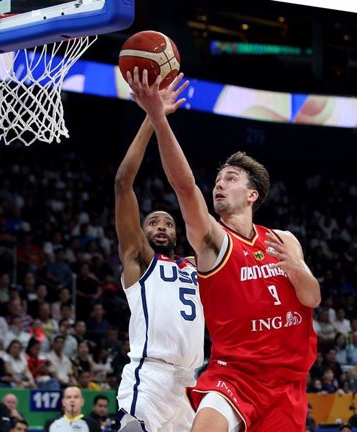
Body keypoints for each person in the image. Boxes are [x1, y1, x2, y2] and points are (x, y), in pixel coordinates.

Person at [128, 69, 320, 432]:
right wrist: (157, 117)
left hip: (287, 384)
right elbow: (184, 187)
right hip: (234, 377)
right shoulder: (213, 241)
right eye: (217, 180)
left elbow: (311, 298)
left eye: (230, 179)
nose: (219, 184)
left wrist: (297, 269)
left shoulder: (283, 240)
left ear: (253, 195)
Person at [114, 72, 205, 432]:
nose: (162, 227)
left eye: (168, 223)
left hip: (192, 383)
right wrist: (153, 117)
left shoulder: (195, 265)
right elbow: (123, 183)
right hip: (149, 376)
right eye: (153, 222)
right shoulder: (138, 260)